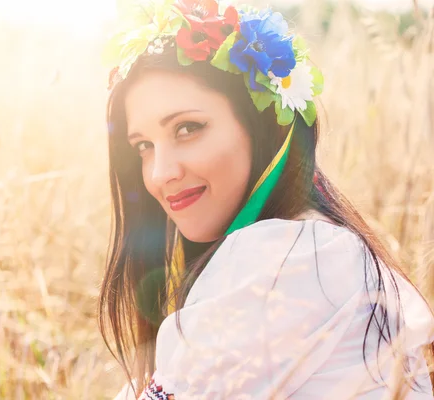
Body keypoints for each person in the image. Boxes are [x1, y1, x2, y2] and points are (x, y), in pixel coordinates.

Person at [98, 1, 434, 398]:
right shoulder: (310, 246)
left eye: (188, 128)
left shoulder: (290, 259)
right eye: (143, 146)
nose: (160, 173)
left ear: (264, 126)